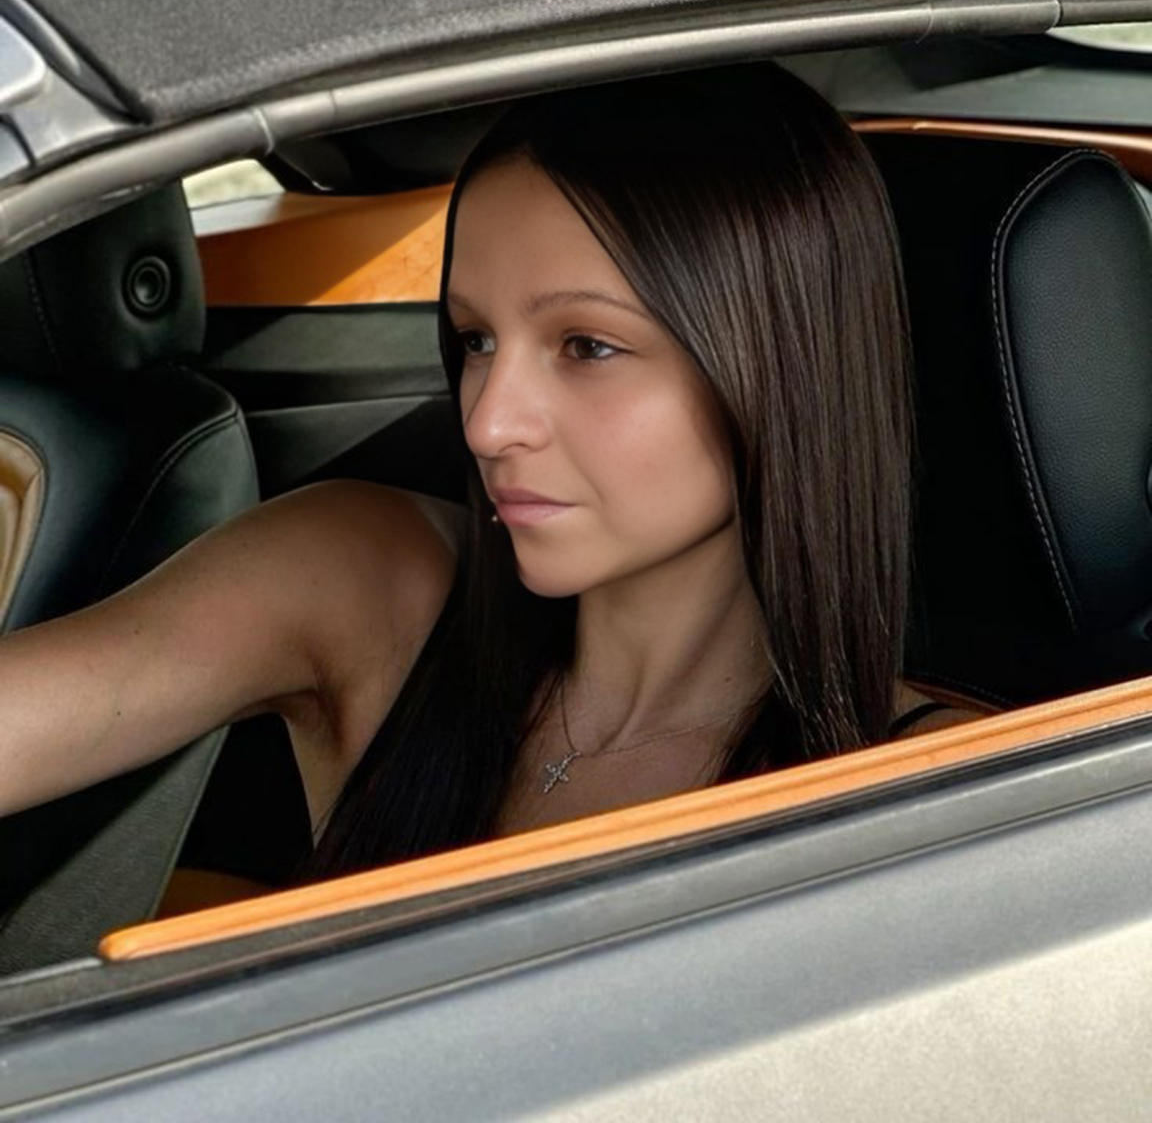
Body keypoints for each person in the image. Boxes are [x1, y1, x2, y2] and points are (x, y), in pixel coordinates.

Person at [0, 63, 985, 882]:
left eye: (588, 346)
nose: (487, 422)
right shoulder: (369, 584)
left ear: (783, 371)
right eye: (474, 338)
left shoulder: (953, 793)